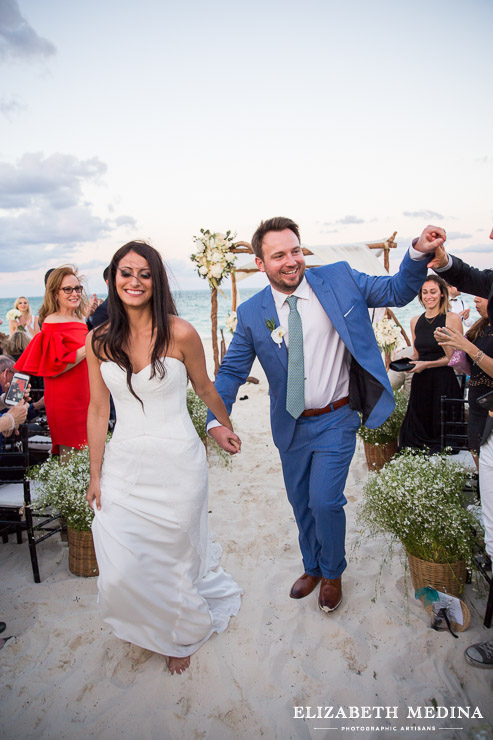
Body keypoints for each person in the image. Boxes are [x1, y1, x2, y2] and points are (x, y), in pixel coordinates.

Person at [208, 217, 442, 613]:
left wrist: (418, 250)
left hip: (337, 417)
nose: (290, 261)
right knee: (301, 503)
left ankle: (332, 573)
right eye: (278, 255)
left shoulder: (339, 279)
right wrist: (216, 420)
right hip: (291, 424)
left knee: (325, 501)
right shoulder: (252, 313)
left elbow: (398, 290)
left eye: (295, 250)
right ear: (261, 263)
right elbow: (231, 371)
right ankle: (312, 566)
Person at [85, 240, 242, 675]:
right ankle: (145, 621)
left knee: (174, 556)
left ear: (156, 281)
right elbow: (98, 410)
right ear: (114, 279)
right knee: (121, 555)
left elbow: (206, 387)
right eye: (126, 273)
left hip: (178, 463)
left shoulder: (182, 332)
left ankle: (179, 631)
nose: (134, 281)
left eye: (144, 274)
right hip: (125, 466)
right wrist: (95, 474)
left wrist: (222, 424)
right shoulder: (97, 340)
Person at [430, 225, 493, 668]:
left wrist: (463, 344)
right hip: (487, 432)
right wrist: (441, 258)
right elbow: (471, 276)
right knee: (491, 529)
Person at [14, 266, 90, 460]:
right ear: (55, 293)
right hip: (65, 397)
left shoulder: (80, 319)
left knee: (89, 452)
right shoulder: (51, 322)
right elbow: (54, 367)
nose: (75, 293)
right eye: (68, 289)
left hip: (86, 393)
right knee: (70, 455)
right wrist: (89, 346)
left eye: (78, 288)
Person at [398, 275, 463, 453]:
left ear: (442, 294)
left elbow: (456, 359)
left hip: (443, 382)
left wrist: (426, 364)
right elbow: (418, 354)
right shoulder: (414, 321)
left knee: (443, 442)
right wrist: (405, 362)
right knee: (414, 442)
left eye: (433, 292)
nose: (429, 296)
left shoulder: (452, 318)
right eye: (425, 292)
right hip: (421, 382)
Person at [435, 296, 493, 466]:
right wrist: (446, 342)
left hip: (491, 404)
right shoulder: (478, 327)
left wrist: (467, 346)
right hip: (476, 403)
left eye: (482, 296)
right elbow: (460, 366)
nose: (475, 300)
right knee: (478, 457)